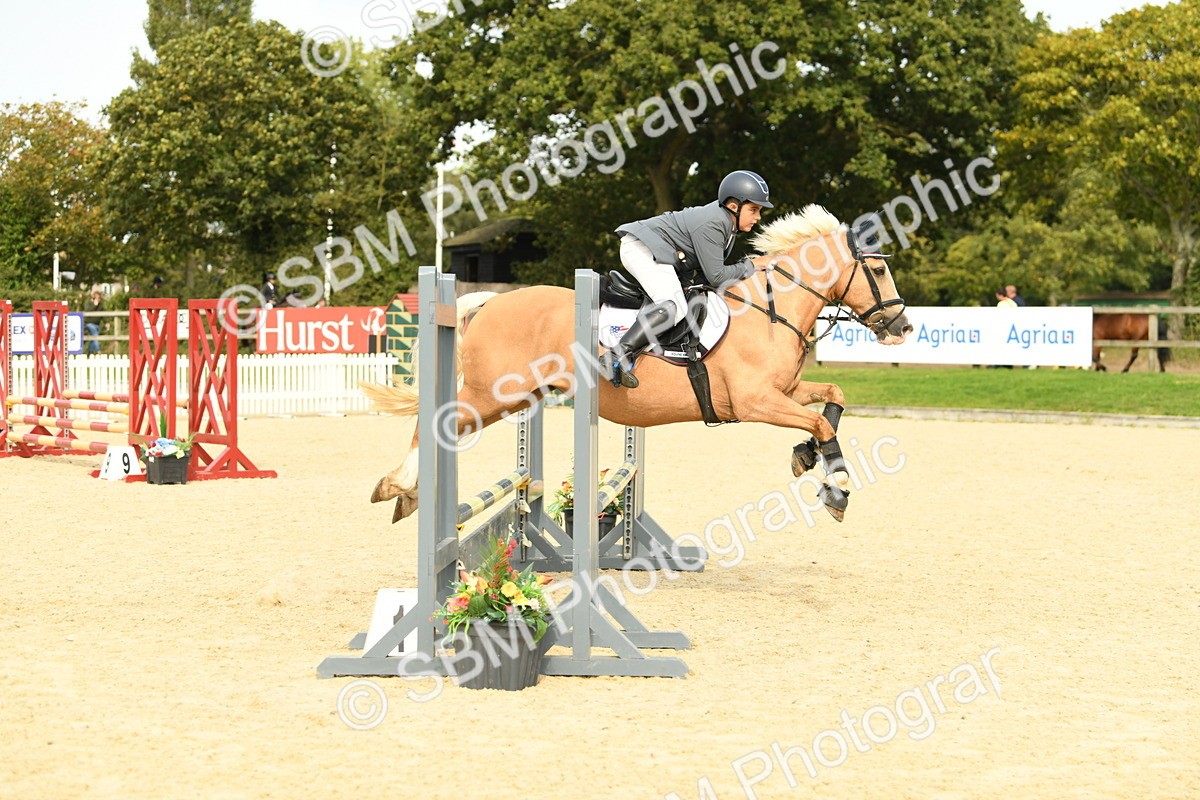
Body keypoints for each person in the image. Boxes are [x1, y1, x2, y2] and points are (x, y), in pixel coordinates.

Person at [603, 169, 773, 388]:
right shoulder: (714, 223)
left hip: (658, 253)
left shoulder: (726, 226)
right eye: (754, 209)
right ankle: (614, 357)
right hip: (640, 248)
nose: (758, 217)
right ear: (734, 206)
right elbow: (717, 276)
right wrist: (752, 265)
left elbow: (705, 276)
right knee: (673, 306)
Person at [84, 289, 104, 355]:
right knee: (95, 334)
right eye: (96, 298)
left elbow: (103, 314)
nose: (98, 299)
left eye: (99, 298)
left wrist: (107, 322)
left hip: (97, 324)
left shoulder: (100, 305)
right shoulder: (88, 303)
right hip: (89, 324)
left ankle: (90, 352)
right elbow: (88, 310)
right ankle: (98, 350)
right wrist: (94, 305)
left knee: (93, 338)